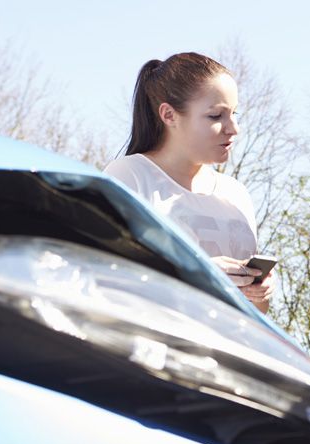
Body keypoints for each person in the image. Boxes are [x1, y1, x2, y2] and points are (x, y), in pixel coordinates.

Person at [105, 52, 274, 313]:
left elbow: (256, 312)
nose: (234, 128)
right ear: (169, 115)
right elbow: (109, 280)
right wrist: (199, 275)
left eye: (234, 113)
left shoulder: (236, 193)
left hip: (230, 349)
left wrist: (260, 292)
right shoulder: (130, 176)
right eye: (216, 116)